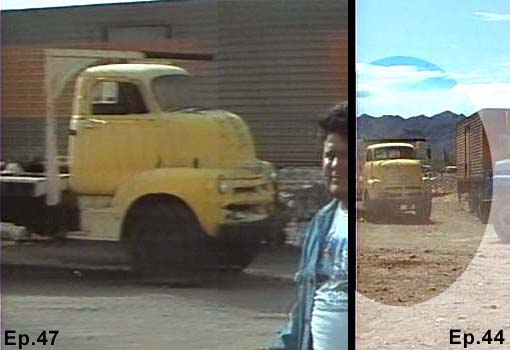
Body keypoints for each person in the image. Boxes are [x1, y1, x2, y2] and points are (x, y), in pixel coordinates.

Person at [269, 102, 349, 350]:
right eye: (330, 156)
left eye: (346, 156)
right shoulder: (321, 224)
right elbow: (302, 313)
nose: (336, 165)